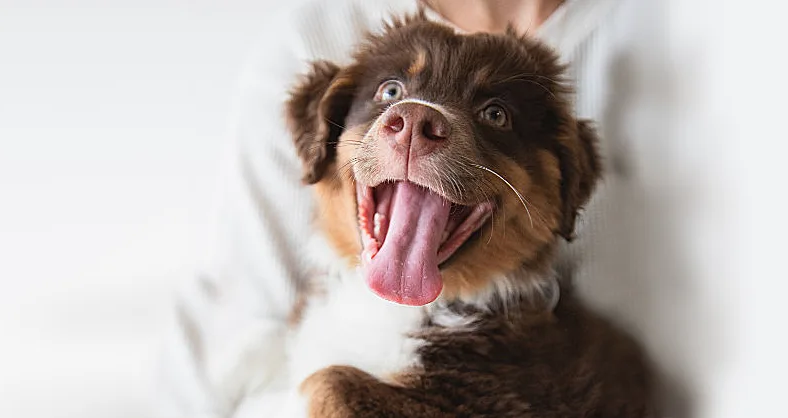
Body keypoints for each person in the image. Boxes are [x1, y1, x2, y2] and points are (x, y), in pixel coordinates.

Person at [155, 0, 685, 417]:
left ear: (565, 186)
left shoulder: (669, 31)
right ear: (326, 132)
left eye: (495, 114)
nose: (415, 120)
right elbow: (228, 341)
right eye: (390, 91)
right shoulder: (313, 29)